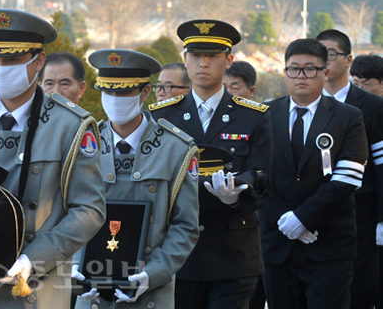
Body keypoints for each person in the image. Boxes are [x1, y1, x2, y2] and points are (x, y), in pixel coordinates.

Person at [0, 8, 106, 309]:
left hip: (35, 289)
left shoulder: (70, 125)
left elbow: (89, 209)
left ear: (38, 61)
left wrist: (36, 258)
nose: (0, 67)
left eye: (12, 60)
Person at [150, 20, 272, 309]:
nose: (203, 63)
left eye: (213, 56)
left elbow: (265, 178)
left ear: (229, 60)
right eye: (195, 55)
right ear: (185, 59)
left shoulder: (253, 116)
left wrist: (236, 195)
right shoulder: (162, 117)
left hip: (233, 254)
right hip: (177, 254)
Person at [72, 49, 199, 308]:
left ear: (144, 92)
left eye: (124, 92)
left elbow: (185, 226)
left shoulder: (176, 148)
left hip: (150, 292)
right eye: (108, 91)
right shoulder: (81, 143)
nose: (115, 99)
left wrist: (154, 273)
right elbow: (67, 214)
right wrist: (74, 265)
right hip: (91, 292)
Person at [260, 38, 368, 309]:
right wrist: (287, 221)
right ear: (285, 72)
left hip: (329, 245)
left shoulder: (348, 117)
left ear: (325, 72)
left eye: (310, 69)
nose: (301, 76)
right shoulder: (264, 115)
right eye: (294, 69)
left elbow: (348, 177)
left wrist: (304, 218)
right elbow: (255, 174)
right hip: (278, 242)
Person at [316, 29, 383, 309]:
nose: (325, 62)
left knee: (358, 289)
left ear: (348, 59)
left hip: (360, 214)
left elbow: (381, 168)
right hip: (315, 214)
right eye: (319, 56)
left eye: (331, 55)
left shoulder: (372, 105)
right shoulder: (305, 103)